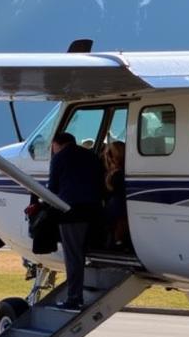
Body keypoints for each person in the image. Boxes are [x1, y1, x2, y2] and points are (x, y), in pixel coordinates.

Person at [47, 132, 103, 311]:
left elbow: (52, 188)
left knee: (73, 257)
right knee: (84, 251)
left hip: (71, 213)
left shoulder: (59, 159)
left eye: (52, 147)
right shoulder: (91, 156)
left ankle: (74, 298)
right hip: (94, 211)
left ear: (57, 144)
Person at [102, 140, 130, 249]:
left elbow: (110, 189)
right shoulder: (123, 171)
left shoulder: (116, 174)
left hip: (117, 206)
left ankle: (116, 241)